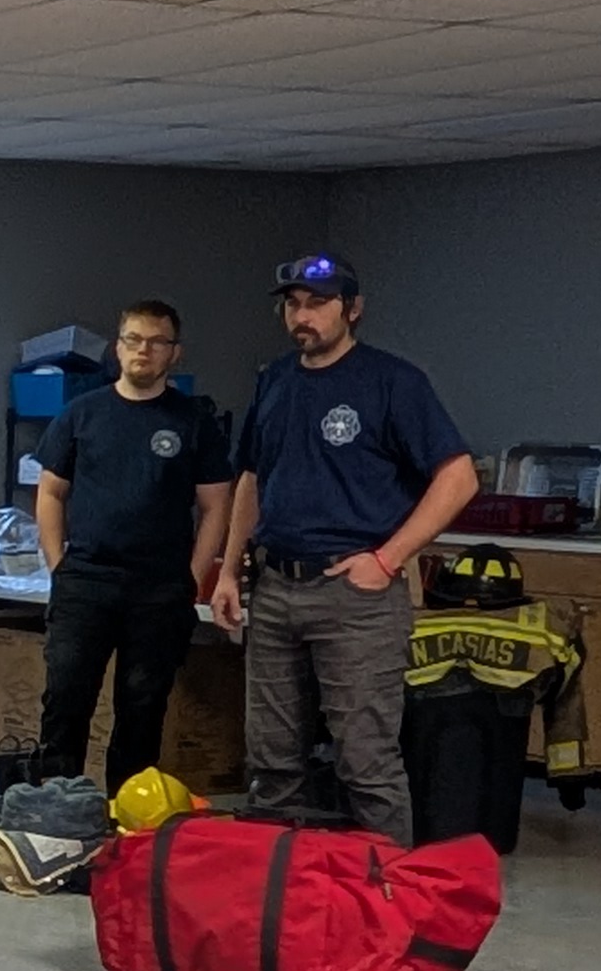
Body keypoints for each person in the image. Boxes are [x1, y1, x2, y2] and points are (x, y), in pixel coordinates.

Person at [210, 252, 478, 839]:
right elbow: (251, 478)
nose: (302, 316)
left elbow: (459, 479)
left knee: (365, 760)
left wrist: (387, 558)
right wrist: (229, 570)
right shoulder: (275, 380)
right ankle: (283, 881)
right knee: (271, 760)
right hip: (275, 588)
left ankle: (389, 885)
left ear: (352, 309)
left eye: (318, 304)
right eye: (293, 305)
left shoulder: (393, 382)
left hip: (356, 598)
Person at [31, 298, 232, 789]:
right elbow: (51, 493)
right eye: (134, 340)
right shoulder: (81, 414)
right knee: (65, 700)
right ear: (118, 348)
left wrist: (192, 576)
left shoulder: (193, 421)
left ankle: (128, 816)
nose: (144, 350)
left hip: (159, 588)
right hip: (86, 581)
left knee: (142, 708)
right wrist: (59, 565)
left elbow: (216, 505)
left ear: (175, 353)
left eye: (157, 342)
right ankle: (56, 808)